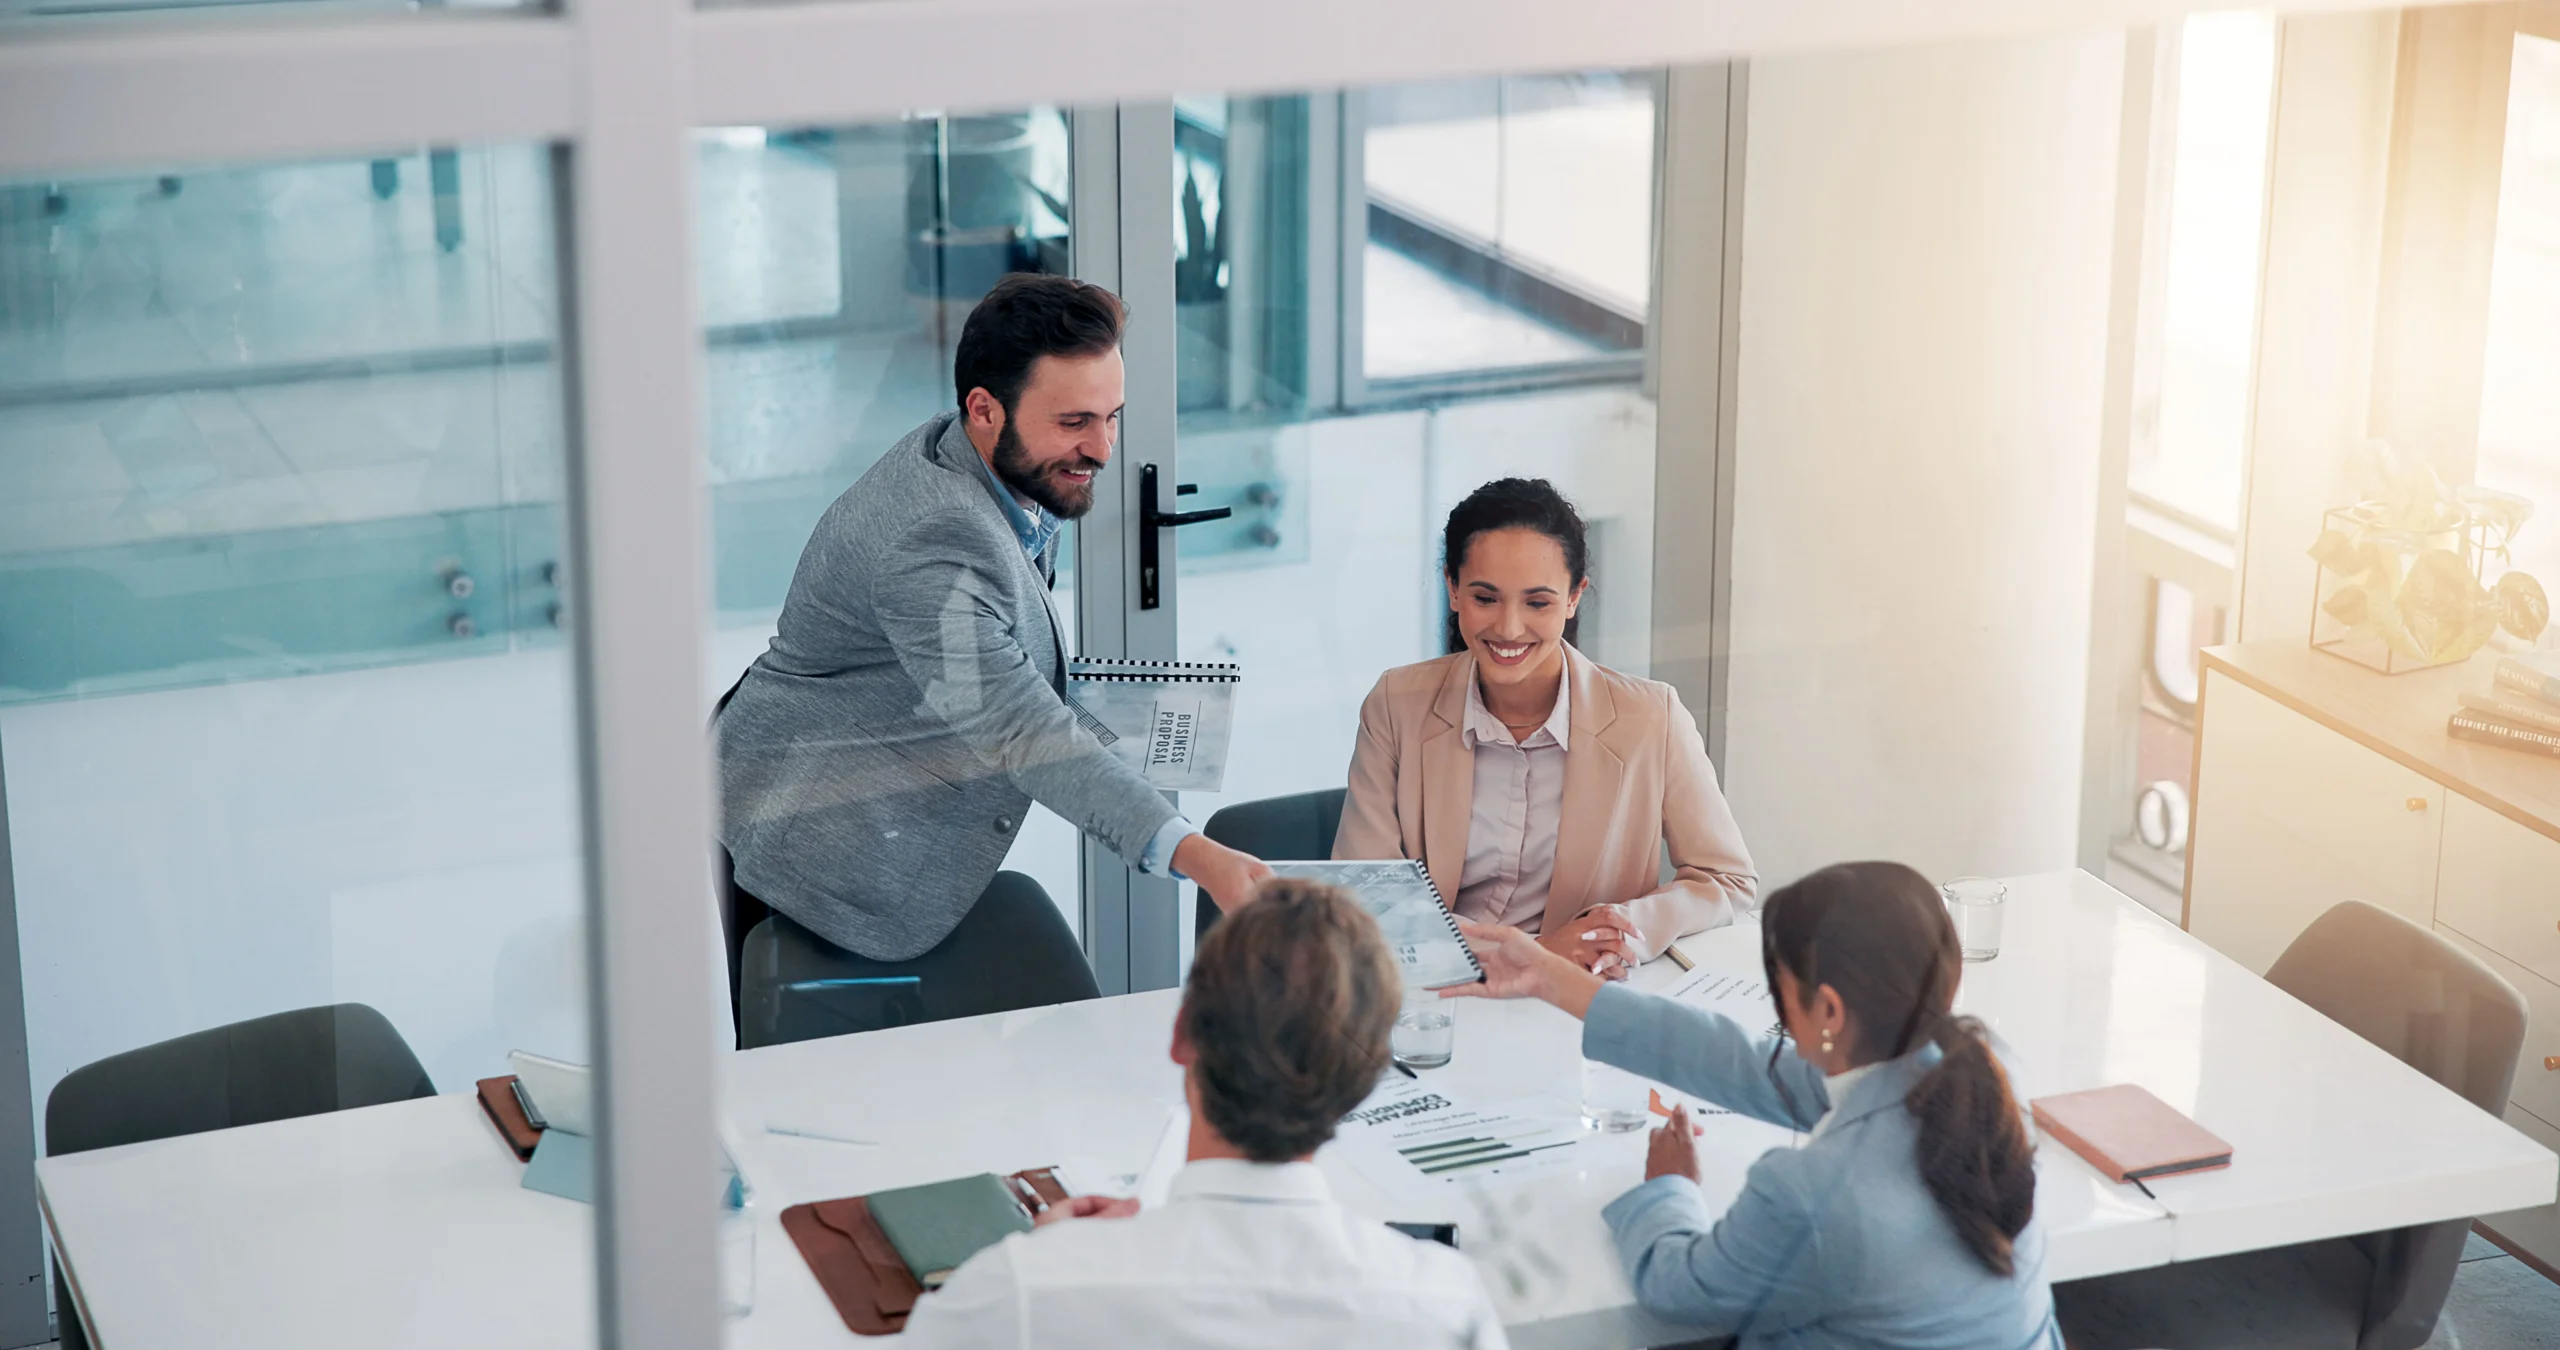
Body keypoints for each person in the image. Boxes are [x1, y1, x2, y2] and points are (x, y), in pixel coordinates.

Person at [714, 274, 1269, 1024]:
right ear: (983, 408)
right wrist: (1203, 861)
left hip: (871, 793)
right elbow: (1019, 731)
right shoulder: (932, 539)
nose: (1103, 449)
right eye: (1076, 421)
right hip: (821, 852)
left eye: (1112, 417)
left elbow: (992, 651)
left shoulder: (985, 458)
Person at [1448, 861, 2060, 1348]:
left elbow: (1676, 1288)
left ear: (1829, 1012)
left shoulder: (1811, 1193)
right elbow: (1745, 1063)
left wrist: (1669, 1188)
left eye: (1780, 990)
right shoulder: (1979, 1071)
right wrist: (1553, 978)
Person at [897, 877, 1510, 1349]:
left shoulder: (1022, 1291)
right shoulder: (1442, 1304)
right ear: (1363, 1083)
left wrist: (1043, 1258)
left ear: (1182, 1034)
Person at [1334, 477, 1756, 980]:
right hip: (1431, 987)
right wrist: (1531, 950)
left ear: (1574, 597)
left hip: (1578, 992)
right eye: (1485, 598)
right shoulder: (1396, 704)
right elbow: (1366, 896)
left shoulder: (1651, 719)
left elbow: (1726, 878)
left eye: (1537, 603)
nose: (1509, 628)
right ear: (1452, 588)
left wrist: (1623, 926)